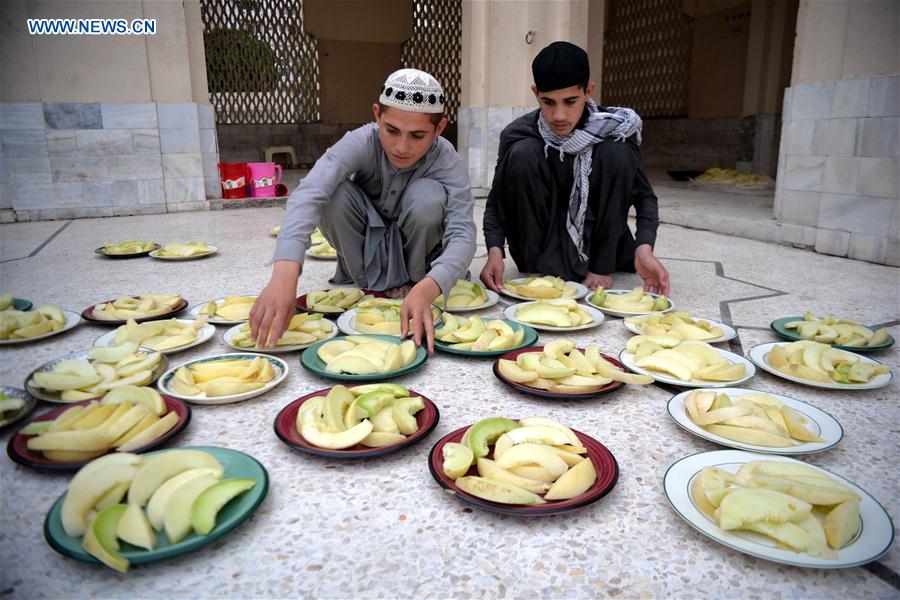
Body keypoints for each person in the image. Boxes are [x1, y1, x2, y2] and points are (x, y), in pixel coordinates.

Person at [250, 68, 476, 351]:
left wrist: (429, 289)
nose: (402, 146)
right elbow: (309, 193)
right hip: (367, 248)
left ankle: (414, 283)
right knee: (332, 194)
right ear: (377, 115)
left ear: (439, 129)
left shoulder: (446, 159)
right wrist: (284, 276)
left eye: (418, 136)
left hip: (423, 259)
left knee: (428, 197)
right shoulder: (361, 141)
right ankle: (372, 285)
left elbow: (463, 233)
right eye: (391, 130)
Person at [480, 41, 670, 296]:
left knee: (616, 153)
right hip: (537, 253)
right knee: (522, 154)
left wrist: (644, 248)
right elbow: (497, 201)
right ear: (536, 93)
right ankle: (538, 269)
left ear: (588, 91)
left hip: (600, 253)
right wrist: (494, 251)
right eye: (548, 102)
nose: (559, 115)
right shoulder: (517, 133)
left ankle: (601, 267)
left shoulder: (615, 130)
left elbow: (644, 197)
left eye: (570, 101)